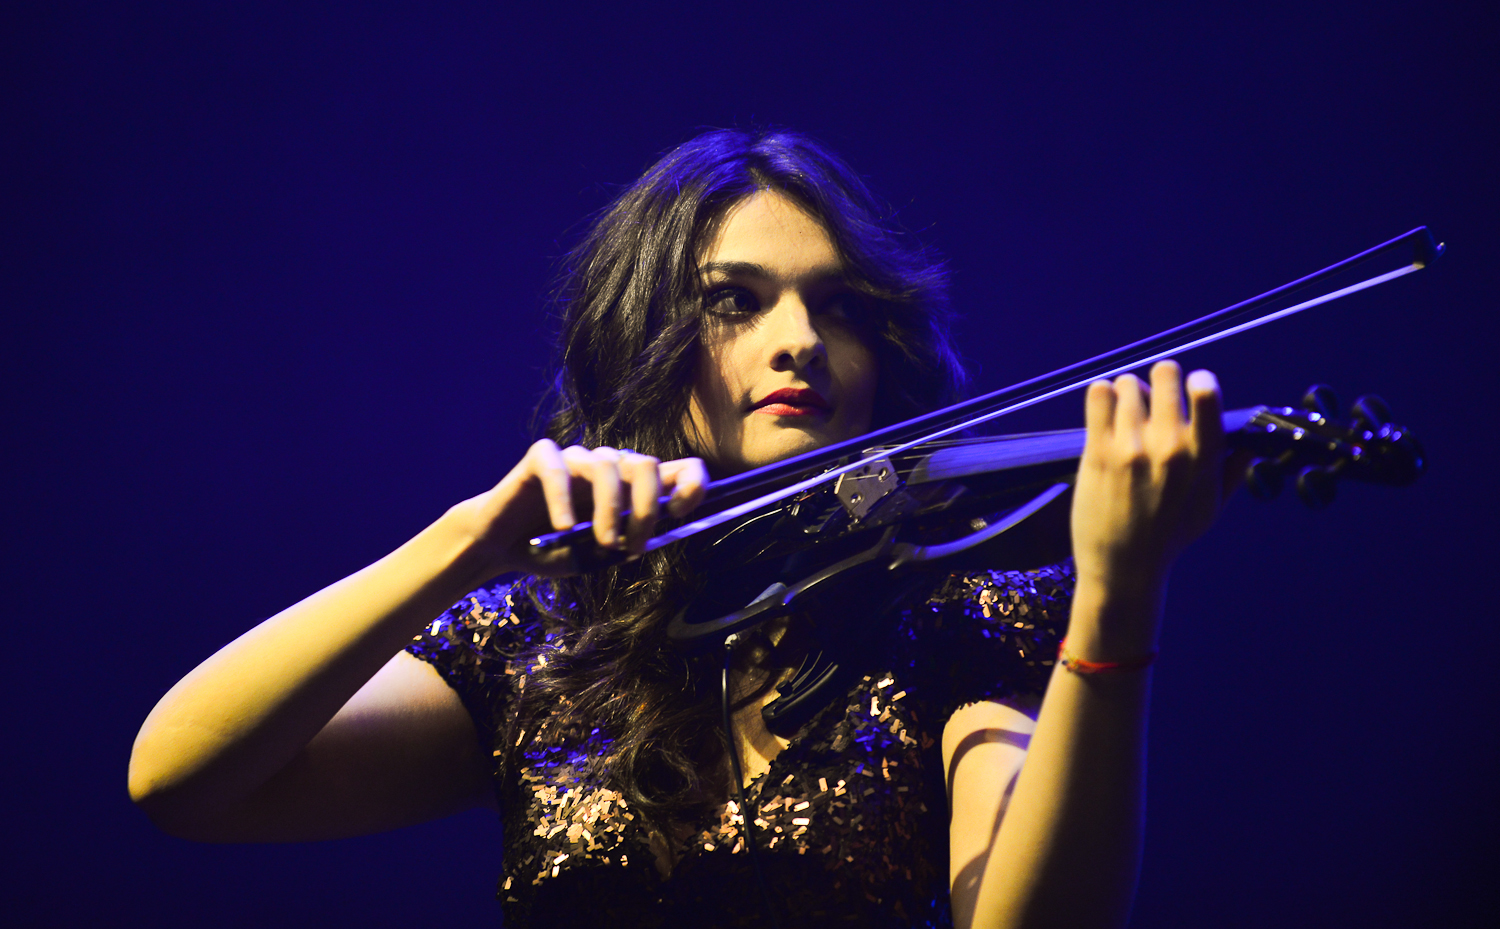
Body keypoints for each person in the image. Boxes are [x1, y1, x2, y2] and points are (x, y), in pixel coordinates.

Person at [130, 129, 1238, 929]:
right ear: (647, 340)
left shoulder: (950, 618)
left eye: (839, 305)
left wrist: (1119, 593)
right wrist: (464, 542)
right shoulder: (545, 645)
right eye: (735, 300)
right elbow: (179, 778)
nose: (800, 338)